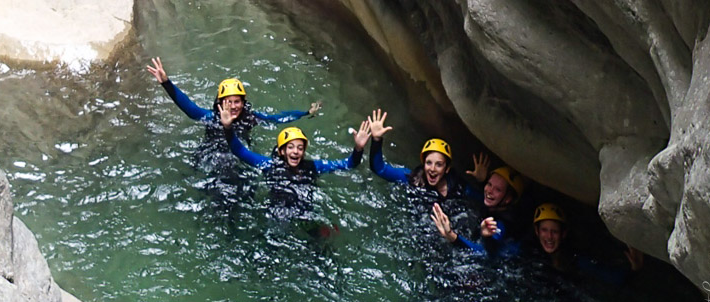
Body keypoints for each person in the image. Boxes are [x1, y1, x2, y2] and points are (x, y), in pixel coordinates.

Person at [219, 102, 373, 223]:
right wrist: (227, 128)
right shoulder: (270, 165)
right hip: (279, 214)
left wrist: (358, 148)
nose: (295, 152)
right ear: (281, 152)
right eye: (290, 147)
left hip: (307, 213)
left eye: (300, 148)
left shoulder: (314, 166)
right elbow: (239, 151)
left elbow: (348, 164)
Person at [146, 57, 322, 146]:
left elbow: (278, 118)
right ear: (219, 104)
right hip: (212, 155)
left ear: (244, 103)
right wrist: (166, 83)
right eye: (228, 102)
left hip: (238, 155)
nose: (233, 106)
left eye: (237, 101)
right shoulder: (211, 117)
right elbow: (187, 106)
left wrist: (306, 113)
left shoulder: (250, 118)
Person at [365, 109, 479, 202]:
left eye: (439, 164)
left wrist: (482, 180)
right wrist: (376, 140)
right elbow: (379, 169)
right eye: (429, 163)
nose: (432, 169)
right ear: (423, 163)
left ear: (447, 168)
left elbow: (486, 200)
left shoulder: (458, 187)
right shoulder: (413, 179)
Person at [531, 203, 643, 283]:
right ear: (537, 231)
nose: (549, 237)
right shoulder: (530, 250)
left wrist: (634, 271)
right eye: (544, 230)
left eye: (554, 231)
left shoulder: (574, 258)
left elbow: (609, 276)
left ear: (563, 234)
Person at [430, 166, 527, 258]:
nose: (489, 191)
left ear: (508, 199)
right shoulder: (494, 204)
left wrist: (452, 236)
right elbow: (467, 190)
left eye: (498, 189)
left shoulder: (501, 224)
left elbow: (484, 253)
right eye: (489, 184)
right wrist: (481, 181)